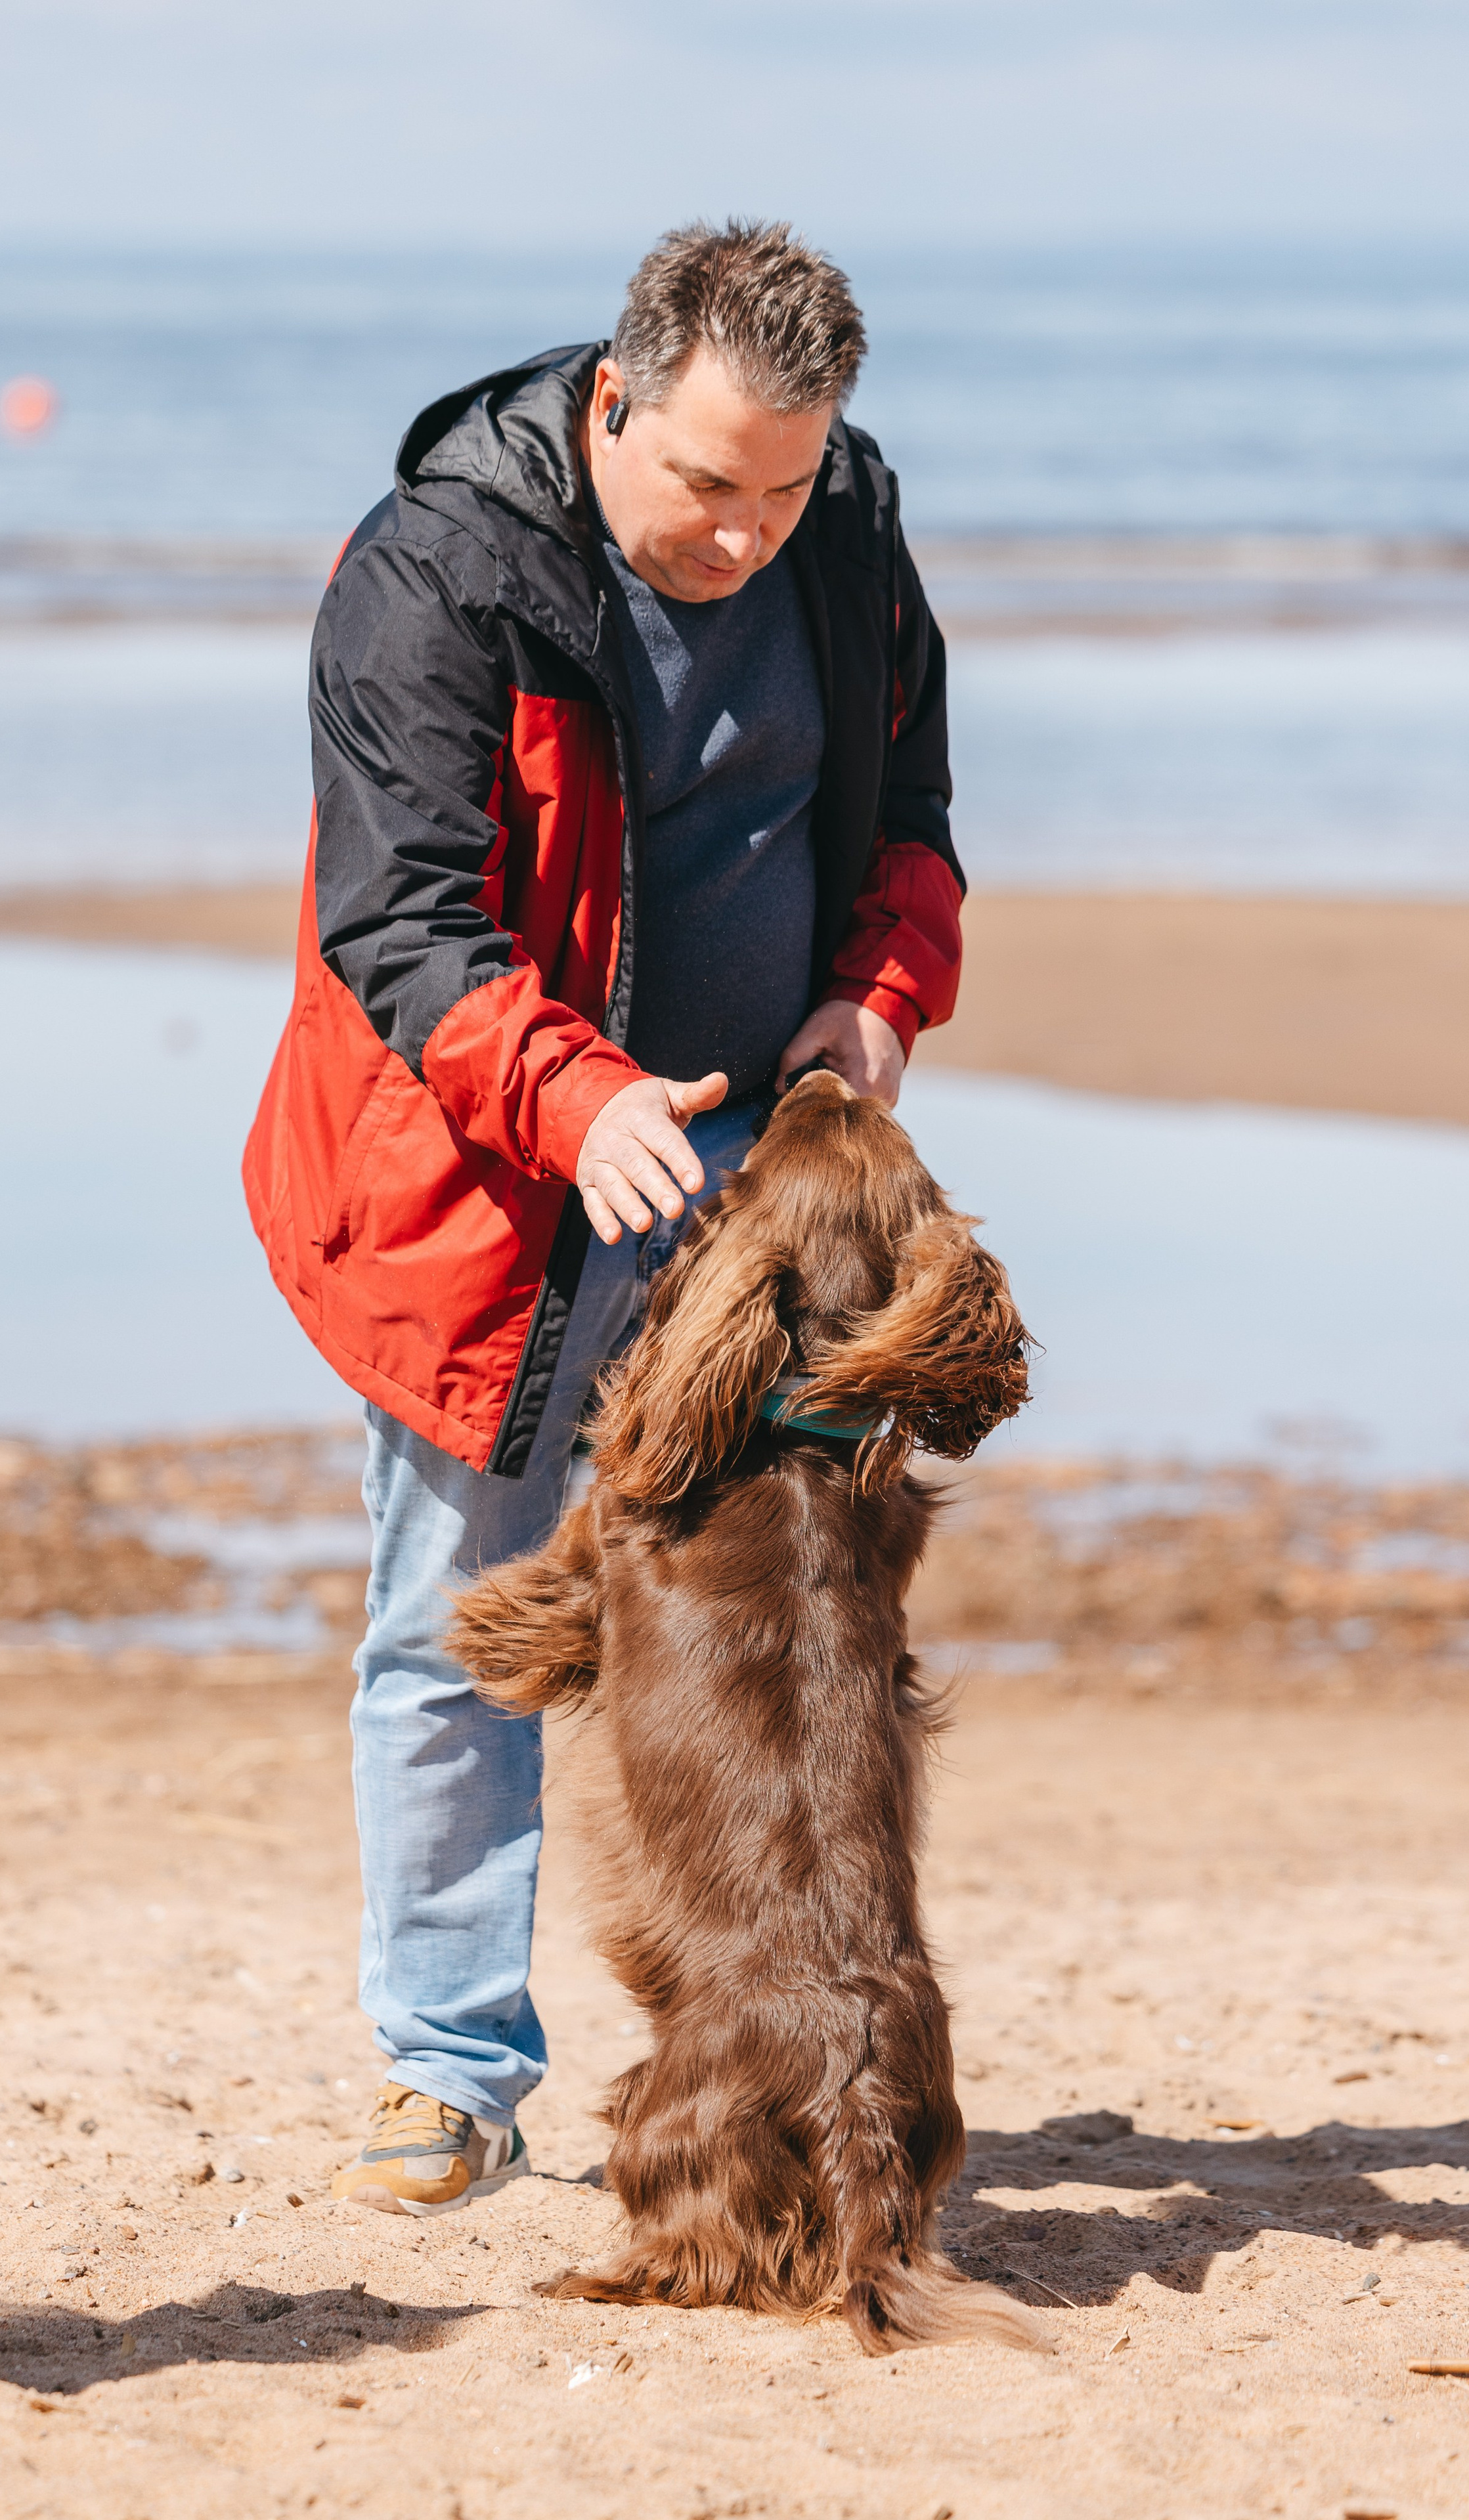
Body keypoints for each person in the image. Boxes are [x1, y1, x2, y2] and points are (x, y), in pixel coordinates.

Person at [243, 218, 966, 2213]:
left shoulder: (845, 529)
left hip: (759, 1187)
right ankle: (448, 2066)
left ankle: (768, 2044)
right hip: (480, 1172)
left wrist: (876, 998)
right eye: (707, 485)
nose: (747, 532)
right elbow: (397, 920)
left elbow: (910, 825)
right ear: (614, 400)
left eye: (788, 485)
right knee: (451, 1622)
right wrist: (577, 1098)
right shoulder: (432, 577)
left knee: (793, 1630)